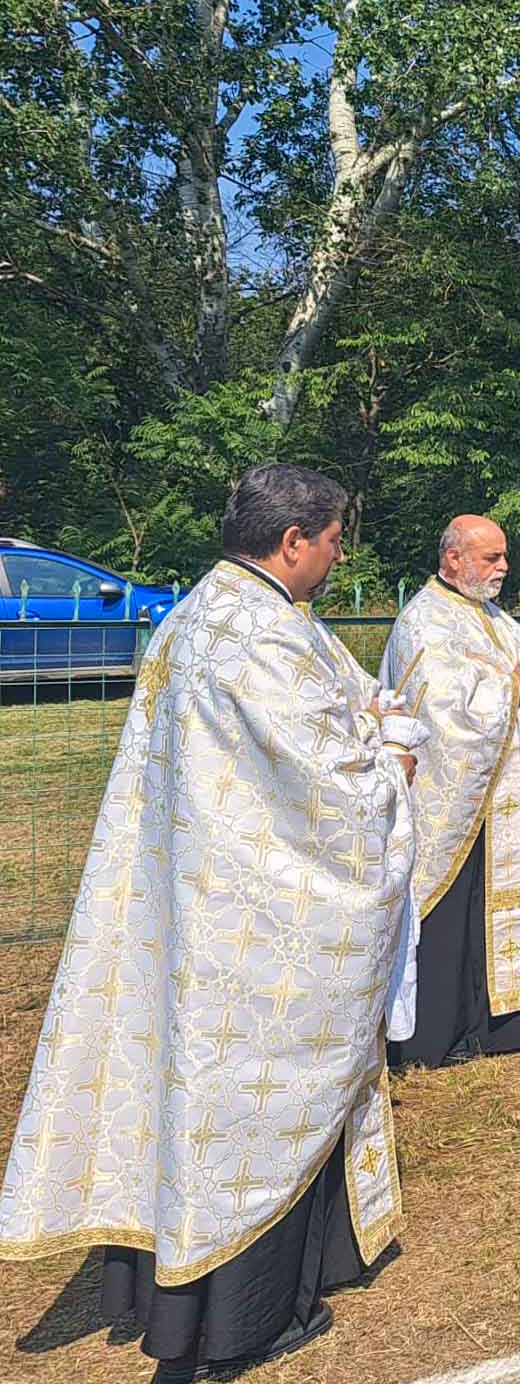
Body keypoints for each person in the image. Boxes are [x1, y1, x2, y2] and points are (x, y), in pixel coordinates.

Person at [0, 465, 416, 1382]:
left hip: (202, 907)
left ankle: (179, 1295)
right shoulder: (256, 635)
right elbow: (333, 790)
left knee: (189, 1100)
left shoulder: (204, 613)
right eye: (336, 537)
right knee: (248, 1110)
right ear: (294, 540)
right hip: (258, 927)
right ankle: (238, 1322)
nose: (342, 553)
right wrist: (391, 765)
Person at [378, 515, 520, 1070]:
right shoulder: (423, 620)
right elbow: (436, 703)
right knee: (454, 908)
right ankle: (450, 1028)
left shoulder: (494, 617)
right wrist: (512, 690)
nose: (503, 568)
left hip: (509, 795)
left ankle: (510, 1020)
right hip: (456, 799)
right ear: (453, 558)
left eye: (504, 557)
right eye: (491, 559)